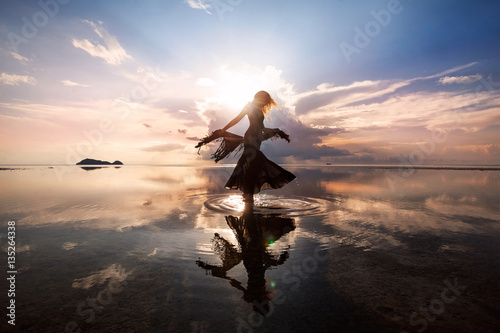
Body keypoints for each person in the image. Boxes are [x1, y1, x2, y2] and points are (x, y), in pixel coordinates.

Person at [196, 91, 296, 203]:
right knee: (254, 164)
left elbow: (262, 128)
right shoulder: (249, 107)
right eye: (265, 102)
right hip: (250, 139)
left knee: (252, 166)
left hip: (257, 140)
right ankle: (248, 196)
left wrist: (276, 131)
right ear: (260, 99)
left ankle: (248, 195)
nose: (265, 105)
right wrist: (223, 130)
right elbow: (237, 119)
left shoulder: (259, 110)